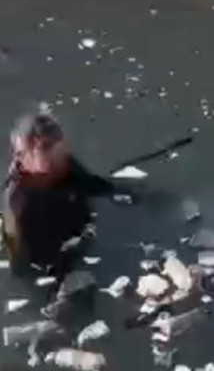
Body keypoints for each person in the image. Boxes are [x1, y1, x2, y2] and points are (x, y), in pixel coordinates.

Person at [2, 112, 130, 278]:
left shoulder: (64, 164)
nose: (42, 156)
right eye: (38, 149)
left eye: (48, 147)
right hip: (47, 253)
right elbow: (18, 258)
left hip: (79, 232)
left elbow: (91, 184)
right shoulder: (16, 196)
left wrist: (116, 193)